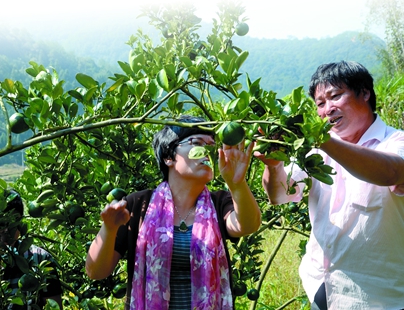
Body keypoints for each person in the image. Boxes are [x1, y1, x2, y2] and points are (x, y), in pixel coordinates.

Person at [257, 61, 404, 309]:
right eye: (320, 104)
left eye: (335, 96)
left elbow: (391, 172)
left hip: (379, 297)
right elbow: (280, 195)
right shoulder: (315, 151)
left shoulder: (394, 141)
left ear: (365, 93)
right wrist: (273, 166)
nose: (327, 109)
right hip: (322, 287)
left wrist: (321, 139)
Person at [86, 115, 261, 310]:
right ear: (169, 157)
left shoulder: (218, 203)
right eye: (197, 142)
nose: (207, 152)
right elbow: (96, 271)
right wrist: (109, 229)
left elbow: (247, 224)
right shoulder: (139, 205)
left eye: (211, 145)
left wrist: (237, 184)